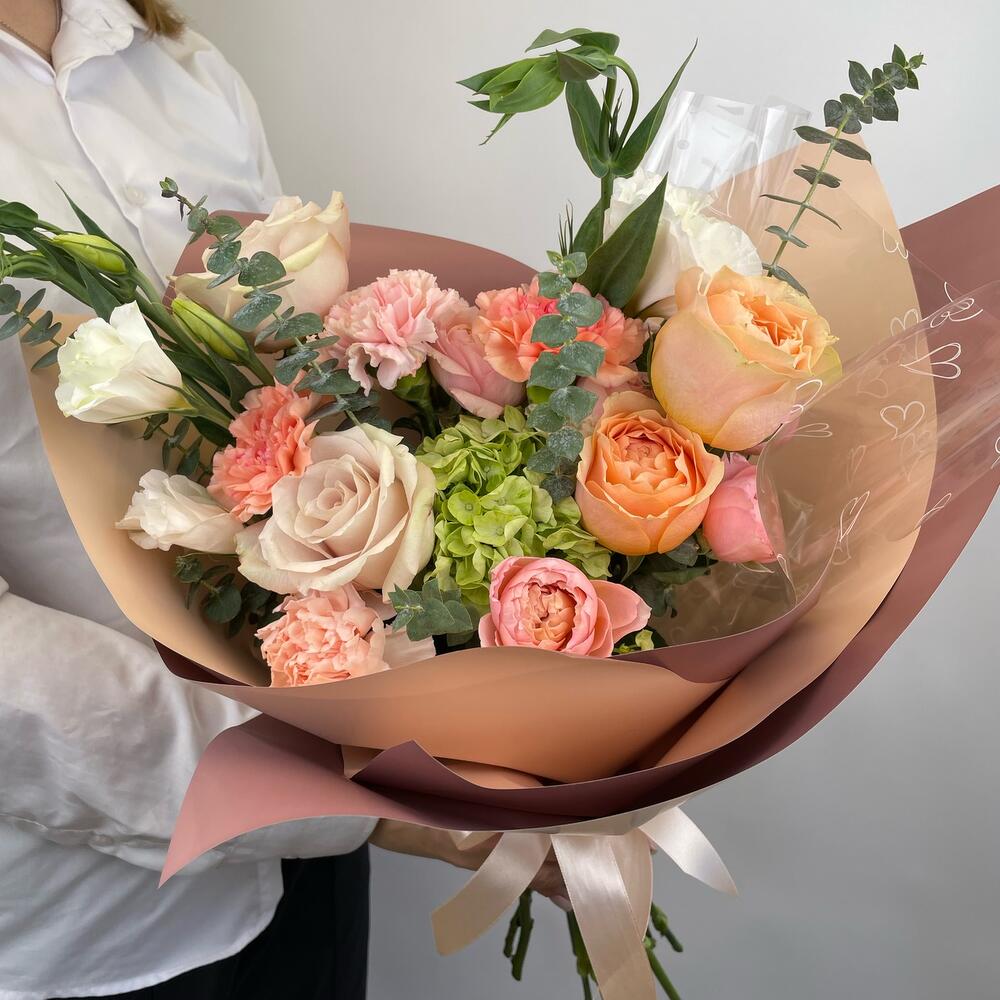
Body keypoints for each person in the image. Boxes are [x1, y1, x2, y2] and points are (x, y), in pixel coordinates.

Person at [0, 2, 565, 998]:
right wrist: (357, 795)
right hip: (86, 925)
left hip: (316, 852)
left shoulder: (176, 64)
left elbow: (296, 398)